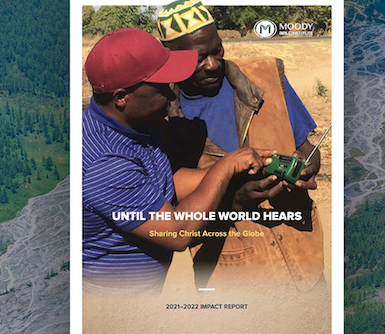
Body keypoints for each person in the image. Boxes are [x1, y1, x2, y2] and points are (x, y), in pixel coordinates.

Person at [82, 28, 273, 292]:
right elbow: (177, 232)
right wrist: (226, 167)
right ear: (122, 97)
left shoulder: (136, 125)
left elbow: (163, 182)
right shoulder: (106, 162)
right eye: (161, 88)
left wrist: (238, 173)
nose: (172, 96)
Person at [157, 0, 325, 291]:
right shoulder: (162, 119)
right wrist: (233, 203)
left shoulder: (266, 76)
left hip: (305, 261)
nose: (212, 65)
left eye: (217, 51)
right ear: (170, 56)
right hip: (233, 276)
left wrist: (308, 166)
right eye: (198, 58)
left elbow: (306, 147)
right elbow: (172, 223)